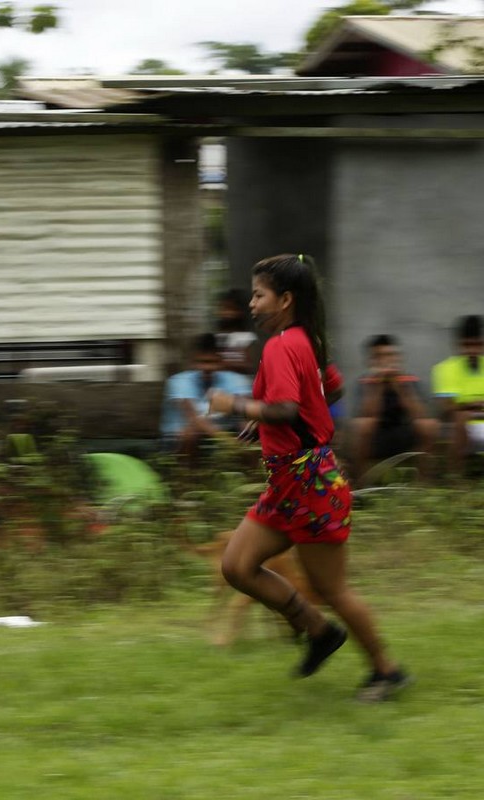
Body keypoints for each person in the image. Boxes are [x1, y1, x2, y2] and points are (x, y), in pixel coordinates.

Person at [208, 254, 408, 702]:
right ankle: (318, 633)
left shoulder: (283, 346)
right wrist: (268, 424)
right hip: (289, 484)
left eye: (259, 295)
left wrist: (235, 406)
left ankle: (387, 671)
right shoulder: (304, 341)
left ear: (285, 299)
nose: (253, 304)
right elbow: (326, 390)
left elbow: (287, 408)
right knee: (237, 565)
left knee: (332, 588)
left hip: (311, 484)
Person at [350, 334, 438, 482]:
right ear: (371, 361)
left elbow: (420, 414)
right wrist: (378, 385)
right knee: (361, 425)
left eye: (390, 355)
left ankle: (424, 482)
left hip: (404, 433)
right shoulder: (365, 382)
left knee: (429, 425)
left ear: (398, 358)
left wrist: (400, 388)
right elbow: (366, 415)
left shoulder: (409, 380)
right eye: (379, 357)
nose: (386, 361)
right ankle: (361, 484)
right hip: (376, 439)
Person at [160, 332, 251, 463]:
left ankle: (253, 478)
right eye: (202, 362)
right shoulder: (180, 381)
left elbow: (246, 414)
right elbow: (195, 420)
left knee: (249, 434)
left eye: (212, 362)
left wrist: (246, 440)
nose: (207, 368)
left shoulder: (235, 380)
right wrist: (231, 443)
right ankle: (188, 479)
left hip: (219, 435)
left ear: (220, 362)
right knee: (190, 432)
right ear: (193, 362)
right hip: (178, 440)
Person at [431, 314, 484, 477]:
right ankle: (456, 482)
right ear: (458, 345)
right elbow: (447, 406)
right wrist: (473, 407)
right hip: (463, 426)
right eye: (467, 345)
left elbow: (455, 404)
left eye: (477, 345)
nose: (472, 351)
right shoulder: (444, 369)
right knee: (460, 418)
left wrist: (466, 405)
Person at [213, 288, 258, 375]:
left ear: (240, 311)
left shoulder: (248, 337)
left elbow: (249, 364)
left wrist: (224, 363)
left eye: (230, 309)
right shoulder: (217, 337)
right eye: (223, 308)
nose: (225, 313)